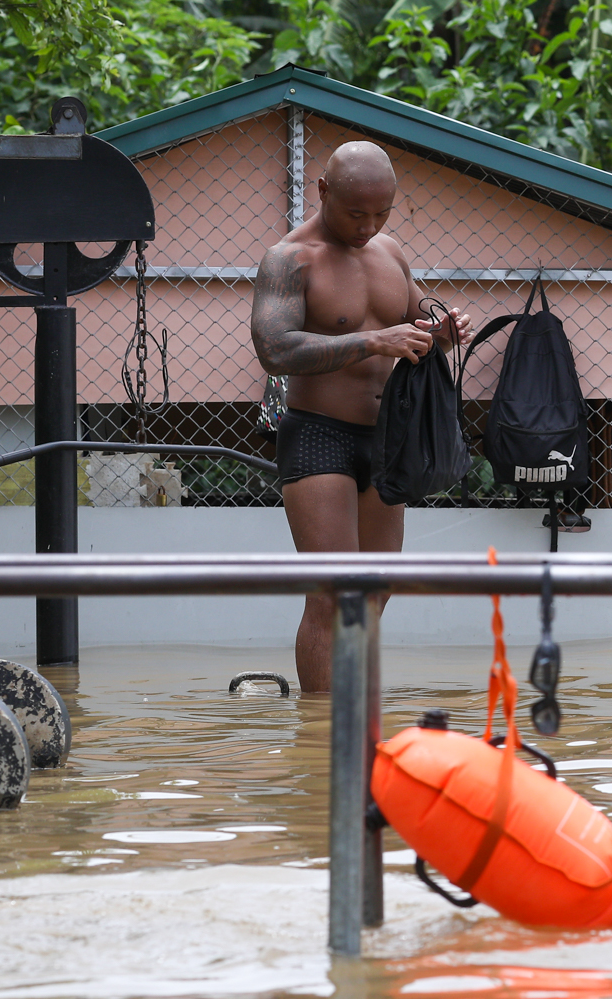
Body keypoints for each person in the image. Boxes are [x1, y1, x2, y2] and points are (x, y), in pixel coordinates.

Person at [250, 140, 472, 693]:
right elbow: (275, 349)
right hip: (319, 434)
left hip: (387, 437)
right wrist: (373, 340)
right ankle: (319, 736)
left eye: (381, 214)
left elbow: (413, 323)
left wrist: (440, 334)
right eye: (356, 213)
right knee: (332, 591)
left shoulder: (390, 252)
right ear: (323, 190)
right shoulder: (289, 259)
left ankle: (355, 710)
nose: (368, 226)